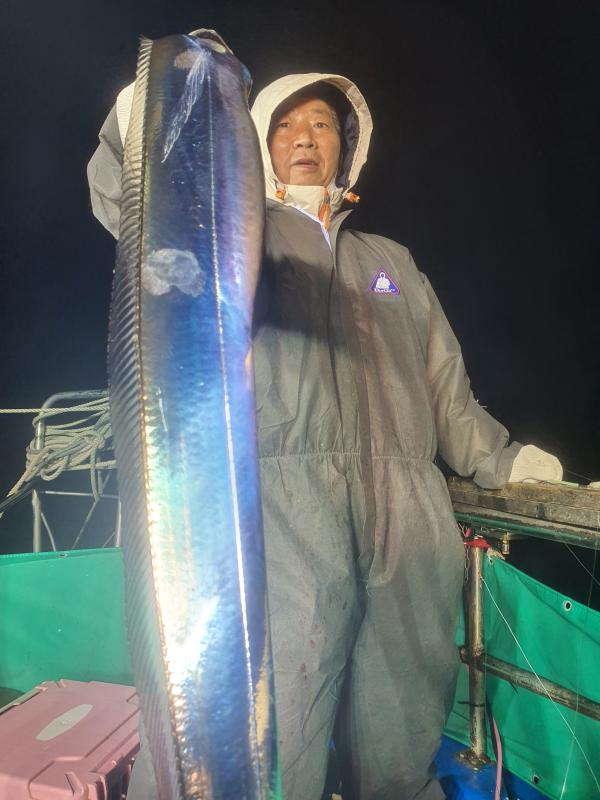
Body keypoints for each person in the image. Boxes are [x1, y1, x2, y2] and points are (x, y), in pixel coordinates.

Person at [88, 37, 562, 800]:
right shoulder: (235, 236)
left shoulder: (391, 262)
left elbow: (447, 392)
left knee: (401, 732)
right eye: (285, 124)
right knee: (281, 741)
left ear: (349, 146)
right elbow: (135, 212)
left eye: (322, 125)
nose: (305, 137)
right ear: (257, 141)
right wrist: (144, 126)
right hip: (283, 519)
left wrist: (503, 461)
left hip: (406, 523)